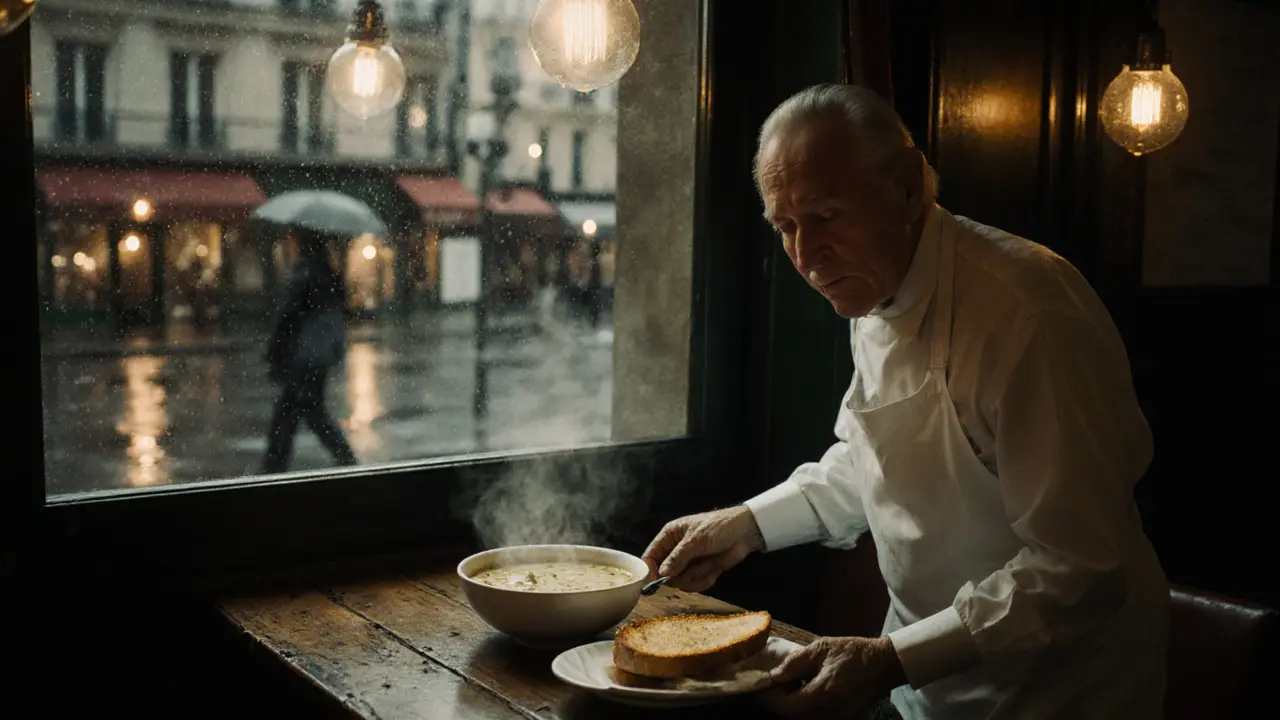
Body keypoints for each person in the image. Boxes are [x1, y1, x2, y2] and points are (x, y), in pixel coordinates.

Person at [641, 84, 1168, 720]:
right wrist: (747, 525)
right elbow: (876, 457)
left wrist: (890, 658)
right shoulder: (875, 282)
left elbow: (1080, 566)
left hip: (1059, 696)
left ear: (909, 189)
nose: (807, 257)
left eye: (827, 215)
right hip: (925, 687)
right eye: (786, 227)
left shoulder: (1028, 311)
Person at [261, 228, 357, 473]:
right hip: (319, 356)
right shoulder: (328, 274)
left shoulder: (307, 274)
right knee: (304, 411)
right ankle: (344, 459)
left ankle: (273, 470)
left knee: (295, 413)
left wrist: (275, 350)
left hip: (304, 356)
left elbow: (288, 316)